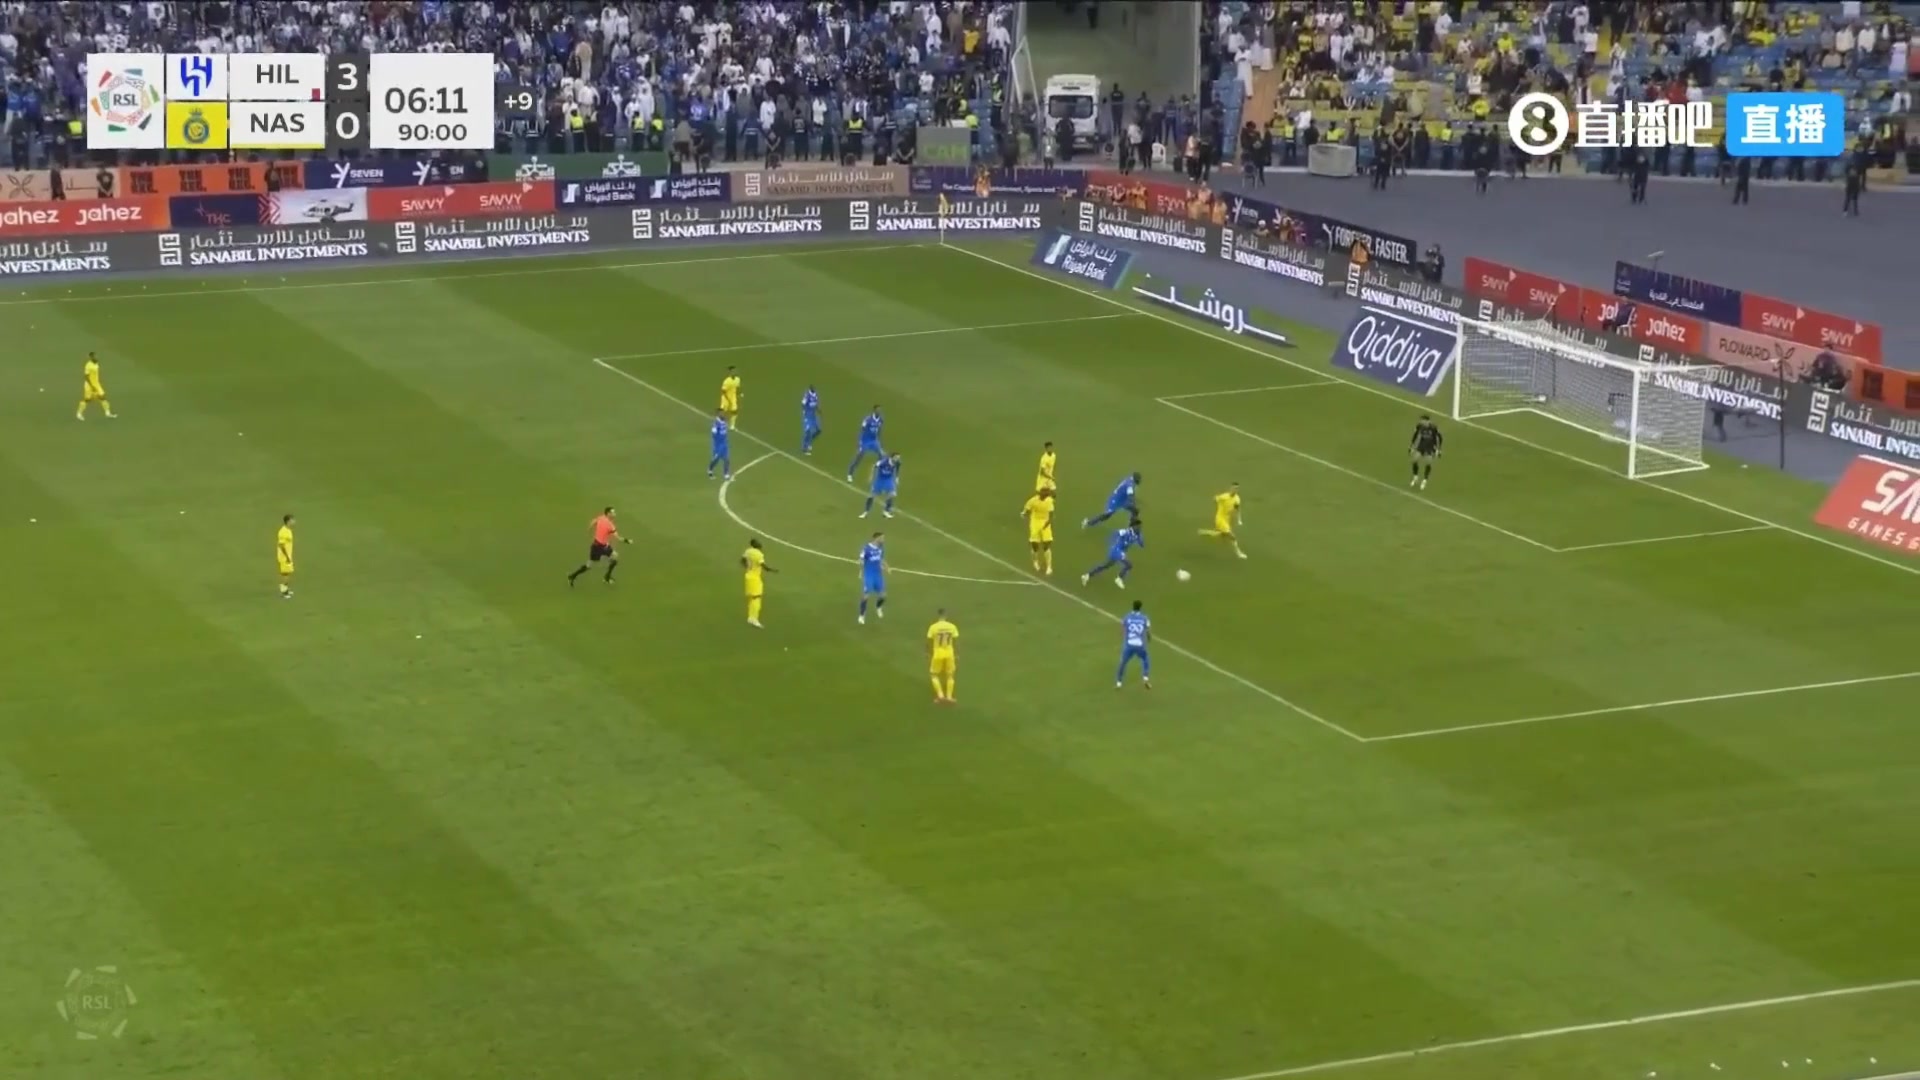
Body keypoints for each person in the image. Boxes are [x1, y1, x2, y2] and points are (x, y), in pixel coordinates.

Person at [568, 506, 630, 586]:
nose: (615, 514)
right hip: (599, 548)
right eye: (613, 512)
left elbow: (593, 521)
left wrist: (589, 529)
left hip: (599, 545)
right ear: (608, 513)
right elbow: (618, 538)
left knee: (614, 557)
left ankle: (607, 577)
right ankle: (572, 576)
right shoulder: (610, 525)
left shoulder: (601, 517)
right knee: (590, 565)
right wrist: (627, 541)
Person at [1082, 519, 1145, 588]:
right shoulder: (1126, 531)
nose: (1140, 528)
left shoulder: (1137, 534)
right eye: (1138, 526)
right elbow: (1116, 533)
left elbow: (1141, 544)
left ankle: (1087, 576)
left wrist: (1139, 538)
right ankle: (1119, 579)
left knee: (1105, 566)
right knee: (1129, 564)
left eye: (1140, 526)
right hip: (1116, 550)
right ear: (1134, 526)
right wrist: (1113, 542)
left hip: (1119, 552)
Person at [1199, 483, 1247, 558]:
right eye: (1234, 488)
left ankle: (1204, 532)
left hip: (1227, 519)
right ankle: (1239, 553)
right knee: (1232, 537)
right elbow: (1215, 498)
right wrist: (1219, 505)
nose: (1235, 490)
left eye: (1236, 489)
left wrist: (1239, 519)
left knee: (1222, 534)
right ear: (1230, 489)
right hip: (1220, 519)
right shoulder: (1224, 496)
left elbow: (1237, 509)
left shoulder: (1237, 499)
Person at [926, 608, 960, 704]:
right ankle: (949, 697)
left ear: (938, 615)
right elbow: (956, 641)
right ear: (946, 615)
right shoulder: (952, 626)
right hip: (949, 653)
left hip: (937, 653)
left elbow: (929, 641)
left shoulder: (933, 627)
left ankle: (940, 696)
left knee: (934, 674)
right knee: (950, 675)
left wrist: (927, 652)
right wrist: (957, 653)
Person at [1116, 600, 1151, 690]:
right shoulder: (1144, 618)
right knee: (1145, 659)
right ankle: (1145, 677)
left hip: (1129, 645)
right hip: (1139, 645)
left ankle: (1119, 682)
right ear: (1140, 607)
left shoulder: (1127, 616)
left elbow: (1122, 628)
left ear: (1133, 606)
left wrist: (1124, 636)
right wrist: (1149, 638)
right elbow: (1147, 630)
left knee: (1123, 662)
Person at [1023, 486, 1056, 575]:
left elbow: (1051, 515)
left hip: (1045, 522)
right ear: (1041, 493)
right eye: (1045, 492)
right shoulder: (1033, 500)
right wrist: (1024, 513)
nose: (1046, 494)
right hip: (1035, 522)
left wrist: (1048, 523)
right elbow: (1027, 509)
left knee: (1046, 544)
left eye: (1047, 493)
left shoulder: (1049, 501)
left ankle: (1049, 567)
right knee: (1035, 545)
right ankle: (1035, 561)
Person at [742, 537, 775, 627]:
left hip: (748, 576)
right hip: (755, 578)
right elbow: (763, 565)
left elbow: (743, 559)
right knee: (756, 597)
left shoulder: (748, 551)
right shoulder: (759, 554)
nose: (760, 544)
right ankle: (754, 619)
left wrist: (747, 567)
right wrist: (772, 570)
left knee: (753, 598)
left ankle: (750, 617)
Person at [847, 406, 884, 481]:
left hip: (874, 441)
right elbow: (862, 430)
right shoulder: (867, 419)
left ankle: (879, 471)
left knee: (882, 455)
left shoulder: (881, 420)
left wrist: (878, 440)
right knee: (859, 457)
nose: (879, 411)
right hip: (865, 441)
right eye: (877, 410)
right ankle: (850, 474)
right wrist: (860, 441)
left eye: (880, 410)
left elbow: (879, 429)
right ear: (874, 411)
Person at [857, 532, 887, 624]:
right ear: (876, 538)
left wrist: (887, 567)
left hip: (878, 575)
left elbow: (881, 559)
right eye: (882, 538)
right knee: (865, 596)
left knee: (883, 596)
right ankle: (861, 615)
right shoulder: (866, 548)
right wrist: (861, 571)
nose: (883, 540)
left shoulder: (881, 548)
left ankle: (878, 607)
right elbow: (861, 560)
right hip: (869, 575)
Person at [77, 351, 115, 420]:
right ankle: (79, 414)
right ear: (91, 357)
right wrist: (92, 386)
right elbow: (86, 376)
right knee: (87, 399)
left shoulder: (96, 363)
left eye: (96, 356)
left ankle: (108, 413)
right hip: (89, 385)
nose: (96, 357)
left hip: (96, 384)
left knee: (103, 397)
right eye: (94, 356)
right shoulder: (88, 365)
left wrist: (96, 384)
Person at [862, 453, 901, 518]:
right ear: (892, 457)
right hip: (880, 479)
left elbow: (897, 469)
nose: (897, 459)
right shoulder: (883, 462)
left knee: (892, 494)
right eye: (896, 457)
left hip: (888, 479)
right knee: (872, 495)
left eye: (898, 458)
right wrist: (871, 476)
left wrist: (897, 478)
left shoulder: (898, 463)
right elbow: (874, 466)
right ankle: (866, 512)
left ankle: (886, 511)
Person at [1410, 414, 1444, 489]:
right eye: (1421, 421)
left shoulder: (1433, 427)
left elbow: (1439, 437)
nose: (1421, 422)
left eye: (1423, 421)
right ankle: (1415, 477)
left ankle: (1425, 480)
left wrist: (1439, 449)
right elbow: (1415, 435)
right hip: (1421, 445)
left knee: (1428, 463)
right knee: (1414, 460)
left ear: (1427, 421)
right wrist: (1412, 446)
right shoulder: (1419, 426)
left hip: (1430, 447)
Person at [707, 409, 732, 480]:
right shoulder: (716, 424)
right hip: (718, 445)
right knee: (716, 459)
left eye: (723, 413)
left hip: (724, 444)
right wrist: (717, 440)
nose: (723, 414)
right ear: (718, 414)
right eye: (721, 413)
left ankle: (726, 474)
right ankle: (710, 469)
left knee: (726, 459)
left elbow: (724, 431)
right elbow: (713, 434)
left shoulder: (724, 421)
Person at [276, 513, 296, 600]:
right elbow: (281, 545)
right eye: (292, 520)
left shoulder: (288, 530)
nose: (294, 521)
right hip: (284, 556)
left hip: (288, 555)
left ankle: (286, 589)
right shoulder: (282, 532)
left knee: (288, 573)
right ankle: (283, 592)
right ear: (288, 521)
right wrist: (287, 557)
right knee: (285, 574)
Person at [800, 385, 822, 455]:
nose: (813, 389)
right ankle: (804, 448)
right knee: (808, 432)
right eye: (812, 389)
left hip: (813, 415)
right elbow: (803, 404)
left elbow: (815, 404)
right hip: (808, 416)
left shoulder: (815, 395)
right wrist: (804, 411)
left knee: (818, 430)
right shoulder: (807, 395)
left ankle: (809, 442)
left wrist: (818, 410)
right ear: (810, 389)